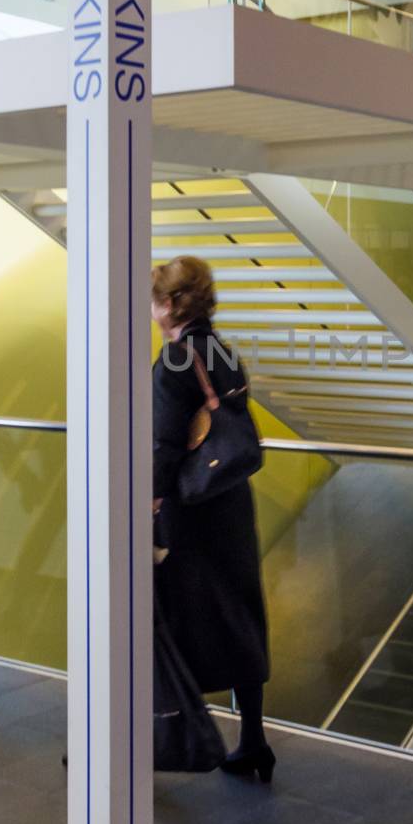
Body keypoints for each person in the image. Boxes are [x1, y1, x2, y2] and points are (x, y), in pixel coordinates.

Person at [151, 256, 273, 781]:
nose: (152, 309)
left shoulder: (175, 358)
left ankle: (174, 731)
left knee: (172, 618)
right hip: (230, 499)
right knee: (239, 614)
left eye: (156, 299)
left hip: (191, 509)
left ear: (172, 304)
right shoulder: (222, 348)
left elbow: (164, 443)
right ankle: (253, 740)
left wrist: (151, 504)